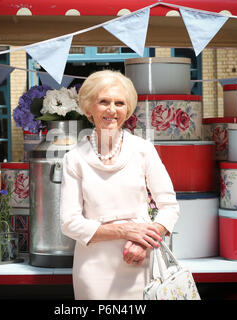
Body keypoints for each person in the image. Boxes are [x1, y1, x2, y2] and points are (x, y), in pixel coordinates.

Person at [60, 70, 180, 300]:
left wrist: (145, 242)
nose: (112, 110)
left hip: (140, 262)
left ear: (128, 110)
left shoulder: (144, 150)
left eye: (119, 103)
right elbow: (69, 223)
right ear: (88, 108)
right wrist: (124, 230)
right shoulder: (73, 158)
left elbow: (169, 207)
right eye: (103, 102)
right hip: (93, 269)